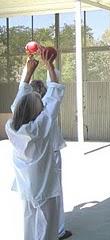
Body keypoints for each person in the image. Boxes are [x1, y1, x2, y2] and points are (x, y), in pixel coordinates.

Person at [11, 53, 72, 240]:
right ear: (38, 111)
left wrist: (28, 72)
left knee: (29, 223)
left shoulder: (13, 127)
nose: (42, 104)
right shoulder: (42, 127)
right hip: (44, 188)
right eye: (40, 104)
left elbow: (19, 101)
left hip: (27, 188)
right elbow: (54, 95)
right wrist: (50, 67)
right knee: (48, 228)